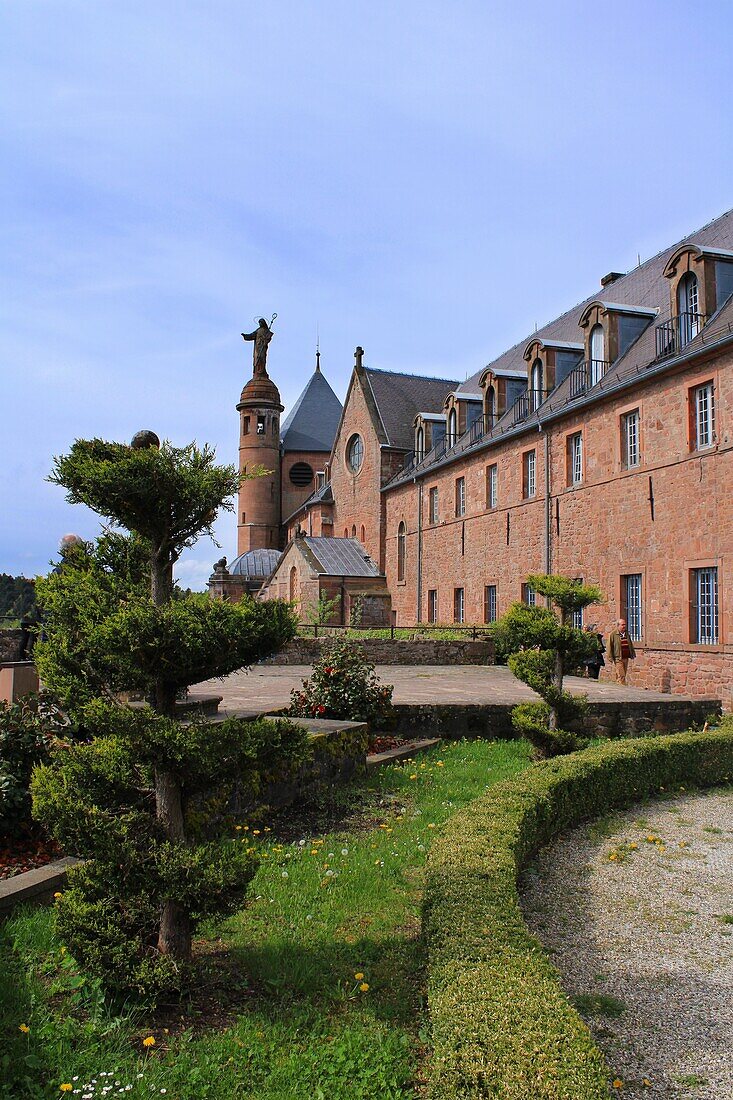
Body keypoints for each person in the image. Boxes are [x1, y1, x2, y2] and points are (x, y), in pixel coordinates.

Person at [607, 618, 635, 684]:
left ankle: (618, 686)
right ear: (618, 626)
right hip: (618, 658)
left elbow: (630, 644)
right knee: (621, 675)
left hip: (625, 657)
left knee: (623, 674)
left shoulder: (627, 634)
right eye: (622, 625)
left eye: (625, 625)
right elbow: (609, 646)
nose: (624, 626)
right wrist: (610, 657)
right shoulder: (613, 634)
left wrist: (632, 653)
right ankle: (623, 689)